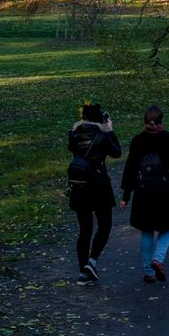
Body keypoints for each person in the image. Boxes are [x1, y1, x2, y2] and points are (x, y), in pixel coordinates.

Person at [120, 105, 169, 284]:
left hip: (143, 192)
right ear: (161, 121)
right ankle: (158, 259)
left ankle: (148, 272)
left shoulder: (137, 141)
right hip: (165, 191)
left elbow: (130, 168)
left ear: (144, 121)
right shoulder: (168, 140)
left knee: (146, 230)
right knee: (168, 226)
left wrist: (126, 196)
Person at [68, 102, 122, 285]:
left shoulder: (73, 133)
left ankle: (83, 272)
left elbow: (72, 149)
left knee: (84, 230)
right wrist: (109, 130)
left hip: (79, 185)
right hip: (99, 186)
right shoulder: (102, 136)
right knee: (105, 225)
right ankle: (92, 262)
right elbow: (117, 152)